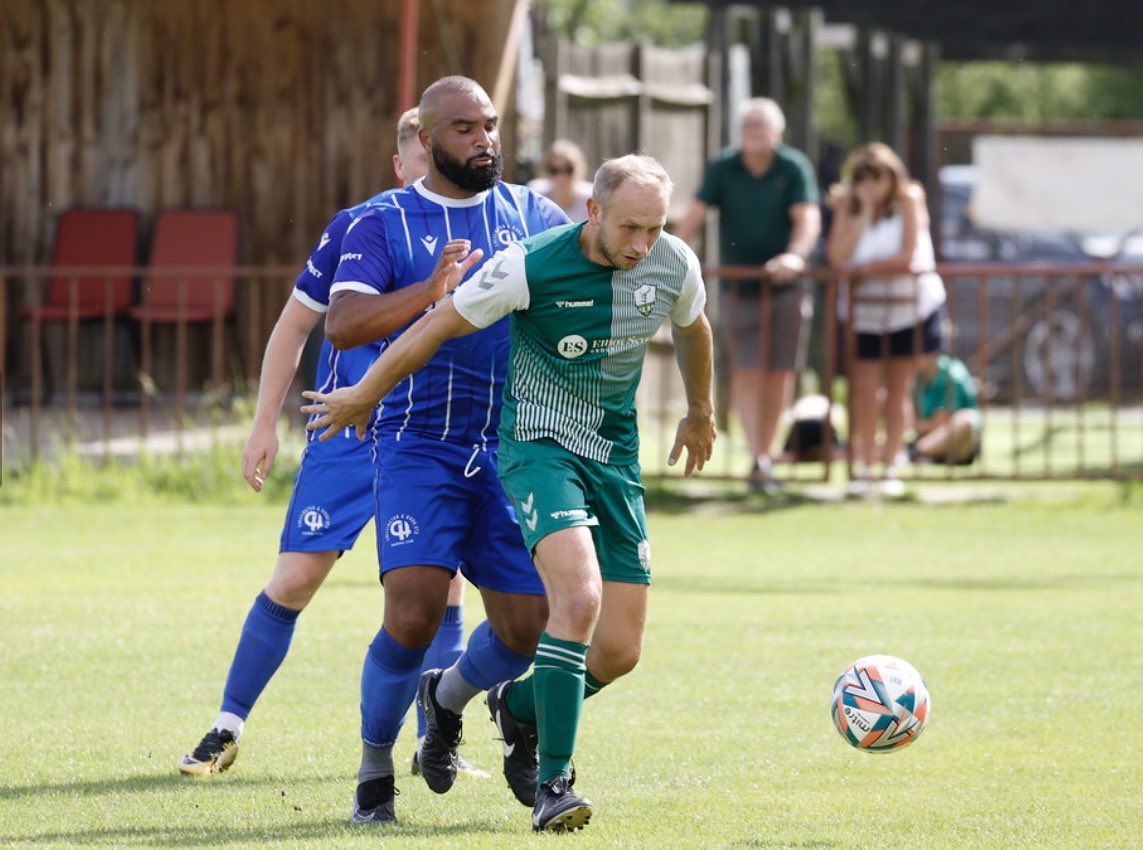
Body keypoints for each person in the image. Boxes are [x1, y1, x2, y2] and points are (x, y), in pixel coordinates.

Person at [303, 154, 716, 833]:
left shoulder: (673, 263)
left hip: (613, 459)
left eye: (655, 228)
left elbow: (694, 326)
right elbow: (435, 325)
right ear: (593, 212)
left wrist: (700, 411)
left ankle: (511, 707)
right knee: (576, 602)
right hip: (538, 452)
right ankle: (555, 782)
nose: (643, 244)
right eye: (629, 227)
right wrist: (364, 392)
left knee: (619, 651)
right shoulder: (530, 264)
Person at [177, 109, 484, 778]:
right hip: (349, 435)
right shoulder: (362, 225)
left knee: (444, 589)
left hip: (431, 441)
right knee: (294, 578)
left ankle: (436, 743)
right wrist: (264, 422)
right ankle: (226, 725)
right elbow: (295, 326)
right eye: (419, 161)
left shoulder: (485, 231)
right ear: (404, 164)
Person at [320, 76, 570, 825]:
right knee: (412, 615)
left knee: (527, 628)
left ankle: (449, 695)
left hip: (512, 447)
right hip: (416, 443)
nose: (483, 140)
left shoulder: (535, 215)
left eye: (489, 125)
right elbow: (343, 323)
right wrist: (430, 291)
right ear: (426, 140)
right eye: (464, 128)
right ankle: (374, 773)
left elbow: (582, 285)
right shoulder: (381, 220)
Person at [675, 97, 820, 493]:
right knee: (746, 371)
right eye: (748, 125)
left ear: (778, 132)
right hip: (739, 289)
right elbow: (696, 214)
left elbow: (808, 217)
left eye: (762, 125)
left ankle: (766, 455)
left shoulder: (793, 167)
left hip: (785, 287)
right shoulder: (724, 166)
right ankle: (758, 456)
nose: (754, 132)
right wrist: (667, 256)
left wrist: (795, 256)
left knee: (779, 372)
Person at [825, 142, 947, 497]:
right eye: (861, 177)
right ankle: (864, 466)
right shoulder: (848, 206)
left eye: (878, 176)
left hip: (908, 309)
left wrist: (863, 271)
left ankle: (892, 465)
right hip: (864, 313)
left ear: (892, 176)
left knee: (897, 390)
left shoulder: (909, 200)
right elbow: (837, 257)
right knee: (863, 392)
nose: (870, 184)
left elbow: (907, 256)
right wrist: (863, 214)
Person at [912, 351, 982, 465]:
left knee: (965, 420)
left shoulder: (952, 374)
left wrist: (915, 424)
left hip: (961, 444)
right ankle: (919, 453)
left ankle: (914, 451)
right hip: (928, 439)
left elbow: (940, 423)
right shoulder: (918, 377)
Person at [527, 139, 594, 223]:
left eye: (568, 169)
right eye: (554, 170)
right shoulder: (537, 195)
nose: (561, 177)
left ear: (579, 170)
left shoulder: (590, 198)